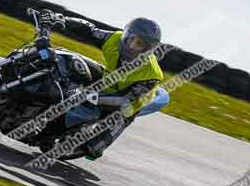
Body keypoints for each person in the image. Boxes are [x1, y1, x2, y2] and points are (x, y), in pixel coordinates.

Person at [53, 12, 170, 160]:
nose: (132, 46)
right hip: (107, 80)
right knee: (66, 60)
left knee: (93, 148)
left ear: (148, 49)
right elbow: (90, 30)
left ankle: (92, 146)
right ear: (126, 34)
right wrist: (62, 19)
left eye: (139, 44)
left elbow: (123, 99)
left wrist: (88, 96)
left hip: (126, 105)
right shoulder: (114, 38)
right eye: (131, 39)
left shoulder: (151, 75)